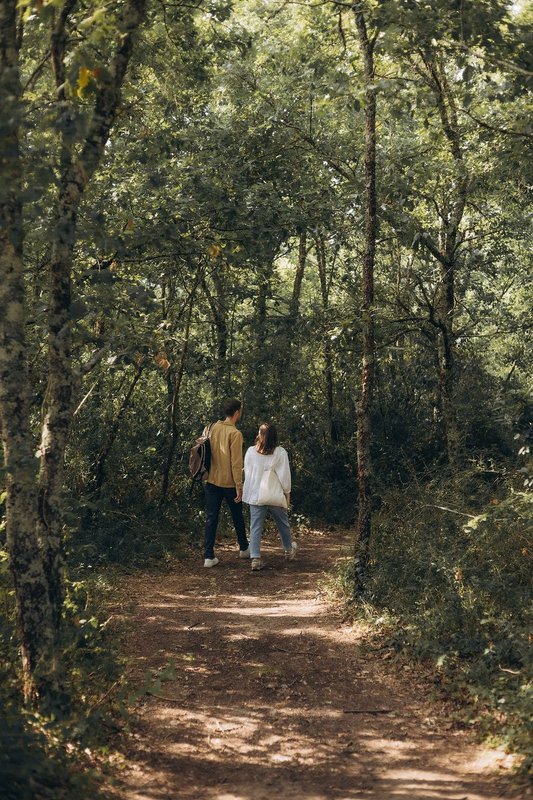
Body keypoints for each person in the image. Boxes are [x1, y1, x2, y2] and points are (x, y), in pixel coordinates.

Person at [242, 422, 298, 571]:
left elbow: (247, 472)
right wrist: (287, 493)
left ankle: (255, 558)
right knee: (282, 523)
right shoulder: (280, 453)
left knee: (255, 526)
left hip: (255, 494)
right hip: (273, 493)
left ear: (260, 435)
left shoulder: (250, 452)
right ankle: (288, 550)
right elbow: (284, 476)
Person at [203, 398, 249, 567]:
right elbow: (236, 463)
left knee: (211, 517)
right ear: (237, 412)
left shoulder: (213, 427)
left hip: (212, 480)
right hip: (229, 483)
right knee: (237, 516)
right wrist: (239, 486)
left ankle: (208, 556)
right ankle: (244, 548)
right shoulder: (235, 434)